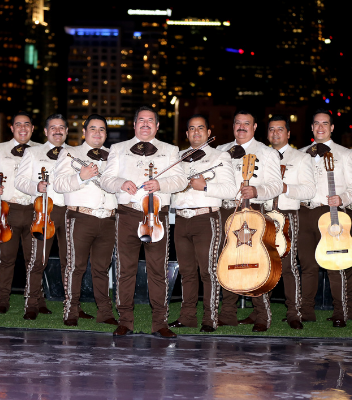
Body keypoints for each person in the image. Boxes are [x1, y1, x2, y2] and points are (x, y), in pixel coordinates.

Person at [100, 105, 187, 338]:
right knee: (125, 270)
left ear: (157, 126)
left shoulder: (170, 150)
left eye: (150, 120)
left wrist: (161, 185)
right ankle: (125, 321)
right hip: (127, 215)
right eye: (141, 120)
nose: (146, 124)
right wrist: (120, 182)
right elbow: (105, 180)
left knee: (158, 270)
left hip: (156, 217)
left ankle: (160, 322)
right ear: (134, 124)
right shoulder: (118, 149)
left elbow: (180, 180)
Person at [216, 110, 283, 332]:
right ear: (232, 126)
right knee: (225, 261)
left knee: (259, 263)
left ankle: (262, 314)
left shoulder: (267, 152)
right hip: (226, 211)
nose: (241, 127)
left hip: (254, 212)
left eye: (247, 123)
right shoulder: (221, 151)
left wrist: (256, 190)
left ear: (255, 128)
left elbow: (275, 186)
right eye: (238, 123)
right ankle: (227, 313)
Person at [168, 114, 236, 332]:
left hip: (206, 218)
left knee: (208, 271)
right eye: (191, 129)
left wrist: (205, 186)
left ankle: (210, 318)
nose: (196, 132)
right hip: (180, 219)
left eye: (200, 128)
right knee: (187, 272)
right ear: (186, 133)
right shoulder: (177, 157)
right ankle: (187, 316)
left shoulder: (220, 156)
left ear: (208, 132)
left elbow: (230, 190)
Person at [54, 114, 118, 327]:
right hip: (80, 217)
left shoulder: (114, 155)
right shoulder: (69, 153)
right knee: (75, 266)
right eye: (93, 129)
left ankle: (105, 312)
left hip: (108, 219)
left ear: (106, 134)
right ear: (84, 132)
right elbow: (58, 185)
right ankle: (71, 311)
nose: (97, 133)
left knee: (102, 268)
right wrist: (81, 177)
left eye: (101, 130)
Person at [0, 112, 44, 314]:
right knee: (6, 258)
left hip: (36, 211)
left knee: (34, 259)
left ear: (33, 128)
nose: (23, 128)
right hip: (9, 209)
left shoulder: (42, 150)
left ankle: (36, 301)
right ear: (12, 128)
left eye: (27, 124)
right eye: (18, 124)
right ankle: (2, 299)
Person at [299, 109, 352, 327]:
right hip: (305, 213)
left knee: (337, 265)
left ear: (331, 128)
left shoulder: (345, 154)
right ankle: (306, 311)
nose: (320, 127)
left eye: (325, 124)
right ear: (311, 128)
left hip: (334, 215)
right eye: (316, 124)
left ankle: (341, 311)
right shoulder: (300, 154)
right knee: (307, 266)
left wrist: (343, 197)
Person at [14, 113, 71, 320]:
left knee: (70, 262)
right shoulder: (33, 152)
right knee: (38, 260)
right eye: (53, 128)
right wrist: (35, 186)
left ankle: (72, 306)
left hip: (70, 212)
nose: (57, 131)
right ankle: (31, 304)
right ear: (46, 132)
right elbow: (19, 181)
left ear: (66, 131)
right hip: (44, 211)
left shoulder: (74, 153)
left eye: (61, 127)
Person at [265, 114, 315, 329]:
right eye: (271, 129)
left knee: (288, 266)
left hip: (287, 215)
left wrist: (286, 188)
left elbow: (310, 191)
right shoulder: (261, 156)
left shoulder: (301, 157)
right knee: (263, 264)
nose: (275, 133)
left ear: (288, 133)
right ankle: (261, 313)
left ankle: (294, 312)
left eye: (280, 129)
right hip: (264, 214)